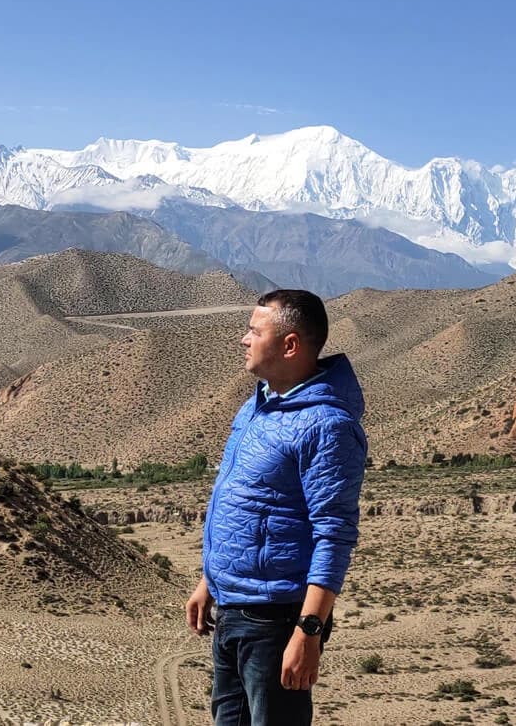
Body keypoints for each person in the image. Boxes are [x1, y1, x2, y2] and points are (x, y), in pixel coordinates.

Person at [185, 289, 367, 726]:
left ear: (289, 345)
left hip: (275, 621)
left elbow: (334, 534)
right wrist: (209, 578)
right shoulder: (259, 405)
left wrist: (308, 631)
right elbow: (250, 504)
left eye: (254, 331)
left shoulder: (328, 427)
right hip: (232, 610)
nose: (243, 340)